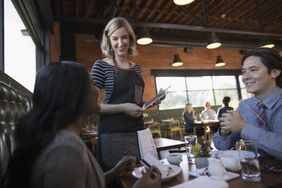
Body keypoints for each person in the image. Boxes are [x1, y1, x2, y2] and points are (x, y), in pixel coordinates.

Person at [3, 62, 161, 188]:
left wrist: (113, 173)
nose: (98, 91)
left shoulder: (63, 140)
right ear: (74, 93)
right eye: (93, 83)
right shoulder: (65, 150)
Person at [91, 17, 164, 171]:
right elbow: (92, 105)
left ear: (130, 39)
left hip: (137, 133)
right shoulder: (101, 66)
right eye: (115, 38)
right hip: (113, 135)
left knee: (139, 174)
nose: (120, 43)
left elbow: (137, 104)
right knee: (119, 179)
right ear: (109, 40)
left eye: (124, 37)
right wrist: (123, 108)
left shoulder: (136, 68)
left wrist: (153, 101)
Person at [213, 48, 282, 160]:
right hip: (253, 173)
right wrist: (224, 131)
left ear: (274, 72)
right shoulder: (244, 106)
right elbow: (222, 146)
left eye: (253, 70)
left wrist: (244, 127)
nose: (245, 77)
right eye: (244, 71)